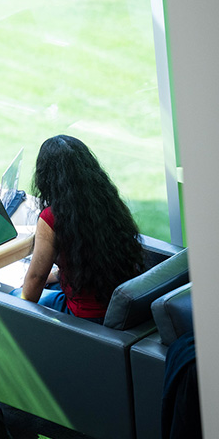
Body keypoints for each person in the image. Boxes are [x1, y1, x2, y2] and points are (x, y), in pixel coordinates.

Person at [16, 134, 144, 323]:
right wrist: (56, 276)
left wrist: (15, 312)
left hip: (85, 318)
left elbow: (36, 277)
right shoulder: (108, 202)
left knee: (13, 294)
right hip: (121, 307)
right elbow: (86, 261)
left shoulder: (52, 217)